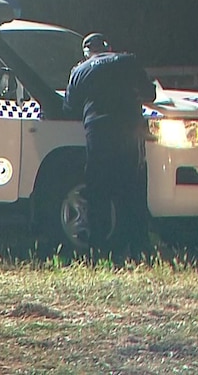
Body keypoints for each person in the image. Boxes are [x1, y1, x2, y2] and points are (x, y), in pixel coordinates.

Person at [63, 32, 156, 258]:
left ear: (87, 53)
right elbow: (150, 94)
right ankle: (138, 250)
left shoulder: (80, 71)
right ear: (109, 47)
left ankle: (98, 252)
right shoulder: (127, 60)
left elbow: (68, 107)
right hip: (129, 132)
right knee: (133, 192)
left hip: (99, 135)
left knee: (98, 194)